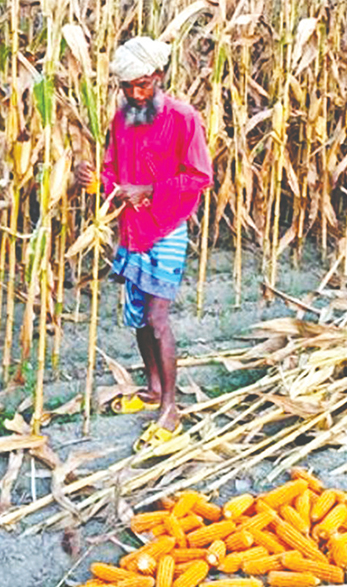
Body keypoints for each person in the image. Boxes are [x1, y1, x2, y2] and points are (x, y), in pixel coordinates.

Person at [75, 36, 213, 452]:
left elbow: (199, 176)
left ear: (159, 77)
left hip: (166, 228)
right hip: (130, 231)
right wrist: (92, 181)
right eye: (128, 87)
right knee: (137, 318)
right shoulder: (122, 121)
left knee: (157, 318)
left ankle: (170, 406)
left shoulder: (184, 118)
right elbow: (113, 176)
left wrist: (150, 190)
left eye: (144, 85)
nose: (136, 94)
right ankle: (152, 388)